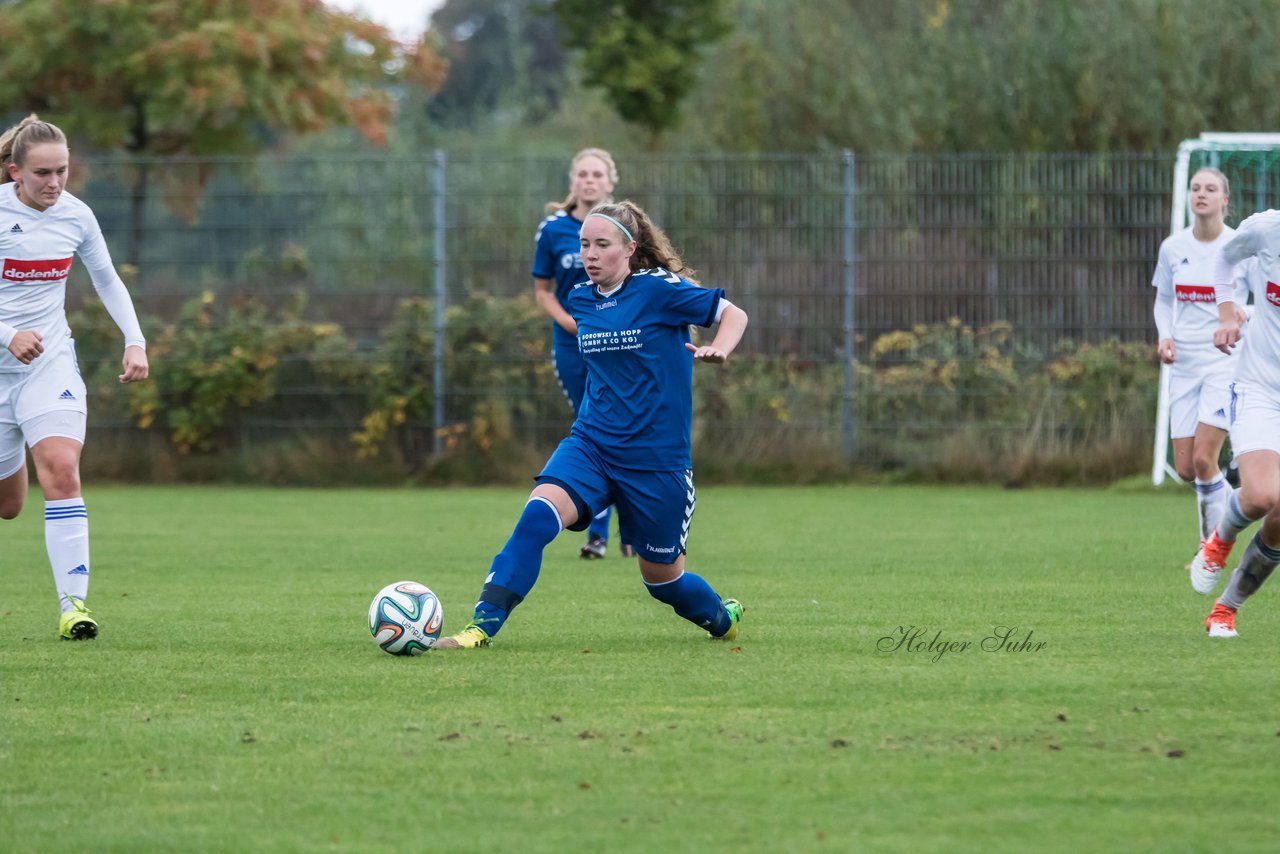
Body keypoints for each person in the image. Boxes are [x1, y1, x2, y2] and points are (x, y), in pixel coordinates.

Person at [434, 200, 748, 650]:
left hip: (656, 462)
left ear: (629, 248)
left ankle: (723, 616)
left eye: (602, 244)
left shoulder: (659, 289)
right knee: (536, 517)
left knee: (662, 582)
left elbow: (734, 315)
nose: (591, 254)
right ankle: (480, 628)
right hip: (592, 445)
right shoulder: (580, 297)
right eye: (585, 244)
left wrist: (720, 347)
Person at [0, 115, 149, 640]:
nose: (54, 183)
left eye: (62, 171)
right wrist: (7, 334)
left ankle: (73, 608)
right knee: (9, 505)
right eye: (42, 173)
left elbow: (107, 278)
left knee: (62, 468)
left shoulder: (76, 215)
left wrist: (135, 339)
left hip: (49, 362)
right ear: (15, 171)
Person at [532, 147, 633, 560]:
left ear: (610, 182)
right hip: (573, 345)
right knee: (590, 427)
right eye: (583, 174)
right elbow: (543, 291)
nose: (589, 181)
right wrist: (570, 323)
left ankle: (632, 527)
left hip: (618, 344)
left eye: (597, 174)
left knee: (625, 424)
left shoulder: (624, 229)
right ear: (573, 181)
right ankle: (597, 533)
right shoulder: (553, 230)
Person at [1151, 167, 1246, 566]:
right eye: (1195, 188)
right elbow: (1165, 300)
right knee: (1189, 468)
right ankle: (1239, 488)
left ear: (1225, 199)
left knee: (1206, 460)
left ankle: (1210, 549)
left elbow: (1263, 299)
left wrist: (1242, 317)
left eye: (1210, 189)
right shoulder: (1173, 248)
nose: (1201, 194)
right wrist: (1165, 335)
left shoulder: (1241, 246)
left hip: (1224, 363)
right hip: (1184, 363)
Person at [1192, 208, 1280, 637]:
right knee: (1262, 496)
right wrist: (1228, 313)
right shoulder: (1267, 230)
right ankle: (1218, 543)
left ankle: (1225, 609)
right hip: (1260, 387)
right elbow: (1224, 259)